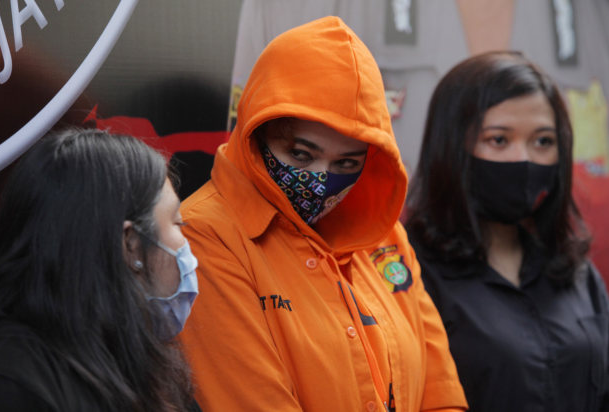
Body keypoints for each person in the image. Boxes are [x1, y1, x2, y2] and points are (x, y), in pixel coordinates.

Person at [178, 16, 467, 412]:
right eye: (301, 154)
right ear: (256, 131)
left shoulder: (384, 235)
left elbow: (441, 393)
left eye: (347, 163)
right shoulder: (206, 238)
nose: (320, 181)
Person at [405, 51, 609, 411]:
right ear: (451, 146)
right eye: (499, 140)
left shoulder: (577, 273)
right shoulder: (409, 273)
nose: (524, 160)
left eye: (543, 142)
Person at [0, 129, 201, 411]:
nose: (187, 246)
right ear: (129, 243)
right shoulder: (6, 385)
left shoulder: (144, 360)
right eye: (177, 224)